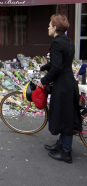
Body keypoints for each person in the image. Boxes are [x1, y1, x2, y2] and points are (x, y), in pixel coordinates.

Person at [37, 14, 82, 164]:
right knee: (66, 115)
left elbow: (56, 67)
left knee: (65, 118)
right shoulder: (69, 42)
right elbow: (61, 63)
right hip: (70, 83)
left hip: (62, 86)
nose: (48, 27)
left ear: (55, 28)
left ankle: (66, 152)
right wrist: (43, 67)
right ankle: (61, 145)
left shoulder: (56, 43)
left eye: (50, 25)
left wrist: (43, 80)